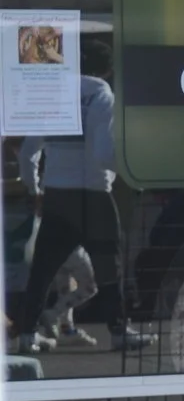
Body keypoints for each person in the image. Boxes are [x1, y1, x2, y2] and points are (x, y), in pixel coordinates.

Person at [11, 74, 148, 351]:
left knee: (43, 270)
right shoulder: (102, 94)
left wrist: (34, 188)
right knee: (109, 267)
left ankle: (27, 335)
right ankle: (119, 332)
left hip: (57, 194)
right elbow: (103, 154)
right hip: (95, 195)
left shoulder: (53, 93)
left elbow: (28, 153)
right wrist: (134, 171)